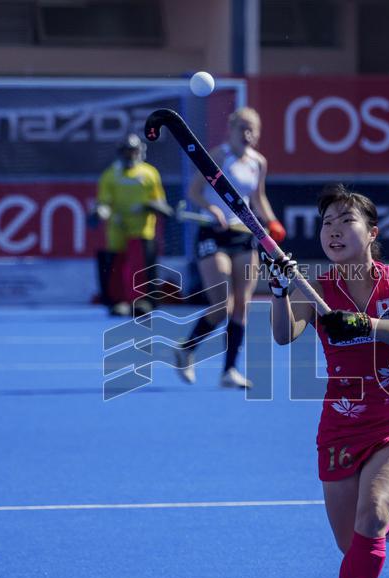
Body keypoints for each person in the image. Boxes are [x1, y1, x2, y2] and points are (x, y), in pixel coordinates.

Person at [262, 184, 389, 578]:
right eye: (327, 223)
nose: (334, 230)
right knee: (353, 543)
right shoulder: (315, 288)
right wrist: (278, 293)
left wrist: (365, 324)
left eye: (346, 221)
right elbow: (284, 336)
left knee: (373, 511)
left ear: (371, 232)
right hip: (341, 424)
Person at [174, 107, 286, 389]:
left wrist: (271, 221)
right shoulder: (219, 156)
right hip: (213, 232)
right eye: (242, 128)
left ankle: (229, 371)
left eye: (253, 129)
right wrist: (213, 208)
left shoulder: (258, 162)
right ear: (231, 129)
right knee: (222, 303)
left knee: (241, 306)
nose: (248, 134)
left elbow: (258, 198)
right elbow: (194, 191)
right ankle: (186, 348)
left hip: (243, 236)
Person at [93, 132, 168, 317]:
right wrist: (103, 212)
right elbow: (103, 202)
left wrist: (148, 206)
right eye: (127, 152)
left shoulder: (149, 173)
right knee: (116, 266)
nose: (130, 155)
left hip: (142, 228)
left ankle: (142, 300)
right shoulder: (110, 175)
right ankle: (118, 301)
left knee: (140, 265)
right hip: (117, 227)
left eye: (133, 151)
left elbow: (159, 201)